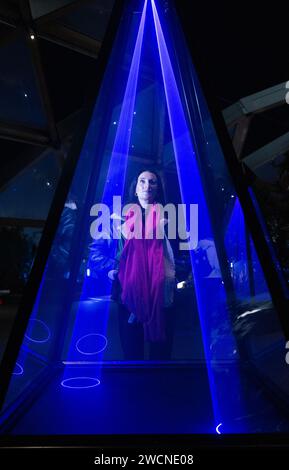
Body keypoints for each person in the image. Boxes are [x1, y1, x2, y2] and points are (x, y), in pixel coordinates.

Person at [109, 169, 176, 360]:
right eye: (142, 181)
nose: (147, 186)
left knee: (161, 357)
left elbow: (180, 254)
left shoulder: (169, 219)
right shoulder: (118, 218)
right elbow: (99, 251)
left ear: (158, 189)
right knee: (132, 356)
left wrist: (170, 272)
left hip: (161, 296)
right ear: (135, 187)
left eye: (152, 182)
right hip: (128, 296)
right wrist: (114, 269)